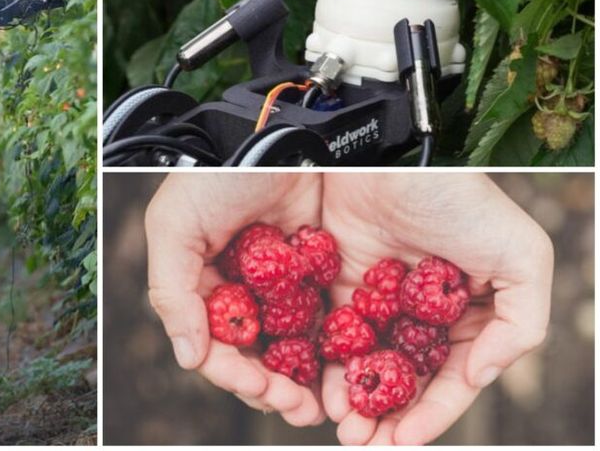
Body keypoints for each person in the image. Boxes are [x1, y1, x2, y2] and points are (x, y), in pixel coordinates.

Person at [145, 173, 553, 445]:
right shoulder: (287, 299)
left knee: (306, 404)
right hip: (319, 334)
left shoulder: (371, 314)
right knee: (289, 400)